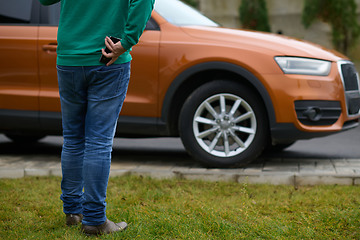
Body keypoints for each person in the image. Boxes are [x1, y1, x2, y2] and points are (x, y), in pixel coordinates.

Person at [38, 0, 155, 236]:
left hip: (70, 56)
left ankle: (73, 211)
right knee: (98, 142)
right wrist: (128, 40)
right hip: (108, 57)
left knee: (73, 138)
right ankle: (94, 220)